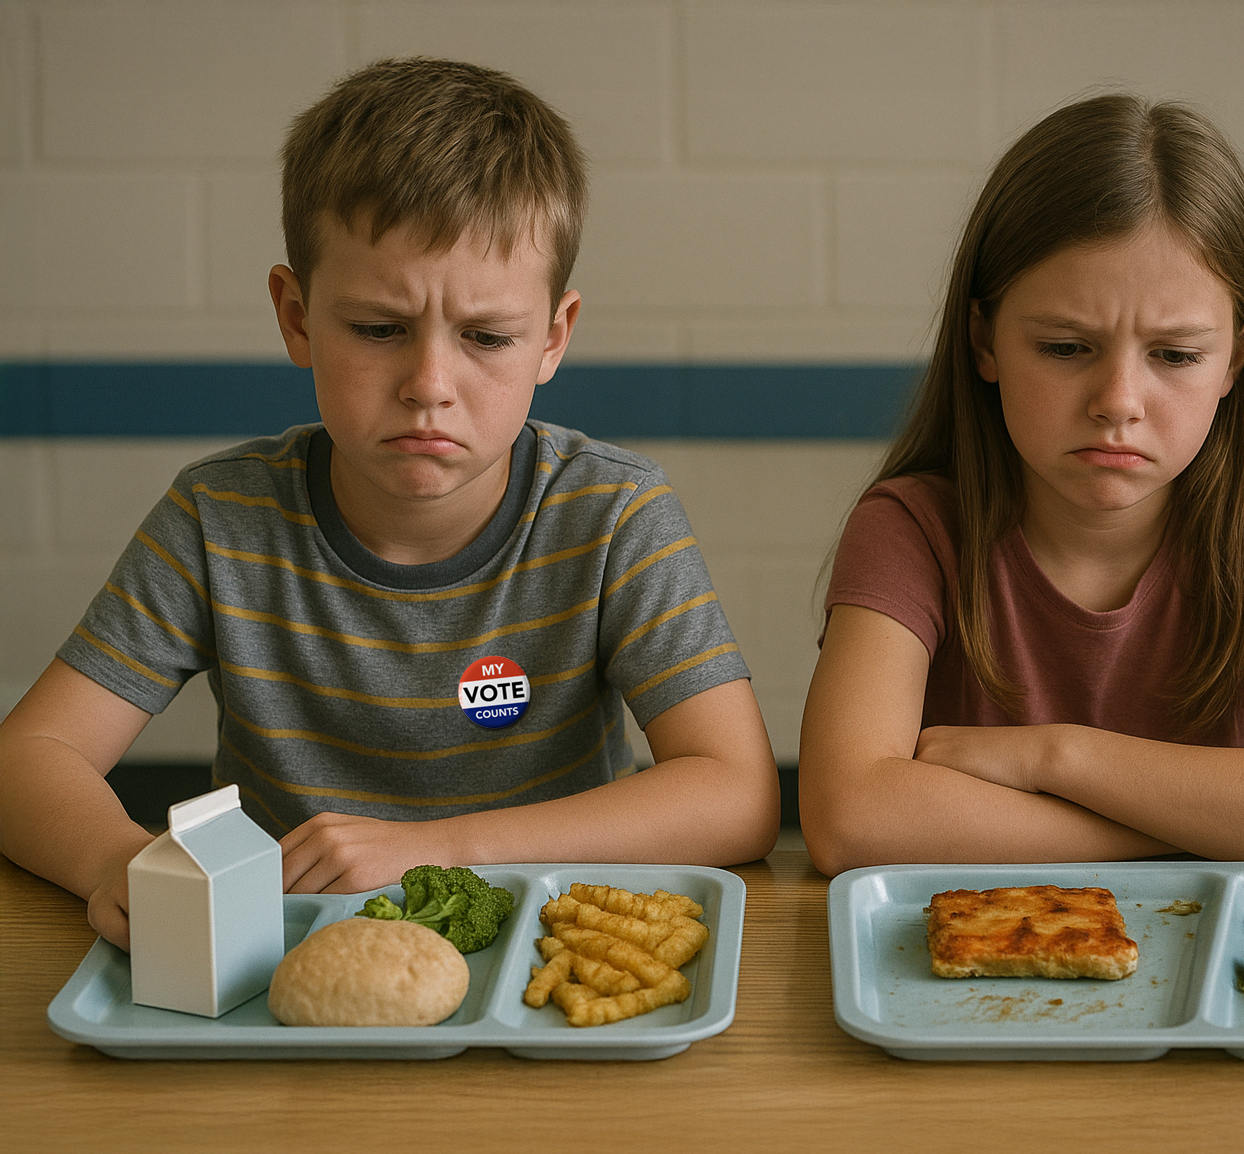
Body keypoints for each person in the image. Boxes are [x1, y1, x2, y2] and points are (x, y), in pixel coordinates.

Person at [0, 58, 780, 951]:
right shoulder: (218, 518)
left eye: (487, 337)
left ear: (553, 338)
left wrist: (438, 853)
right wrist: (119, 864)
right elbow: (28, 758)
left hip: (545, 961)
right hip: (287, 964)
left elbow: (739, 794)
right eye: (378, 330)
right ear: (296, 316)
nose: (429, 386)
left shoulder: (611, 515)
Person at [799, 94, 1244, 876]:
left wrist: (1056, 759)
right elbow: (850, 819)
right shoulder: (909, 527)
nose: (1117, 402)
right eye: (1066, 347)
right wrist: (1217, 827)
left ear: (1237, 357)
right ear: (983, 339)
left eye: (1175, 356)